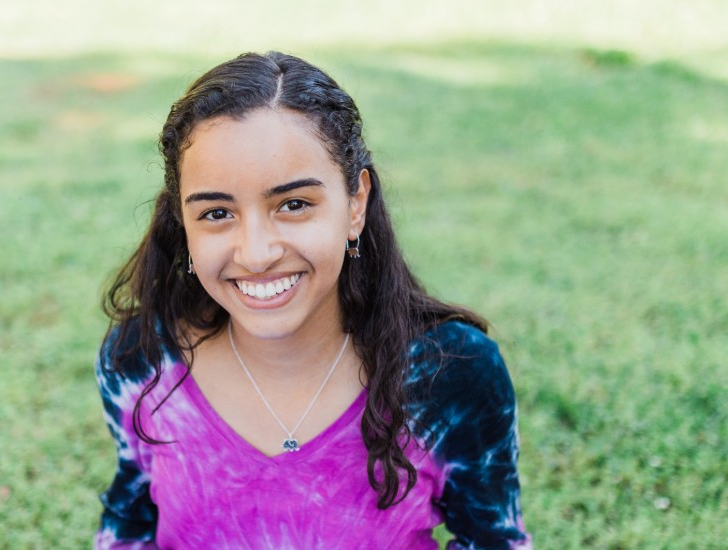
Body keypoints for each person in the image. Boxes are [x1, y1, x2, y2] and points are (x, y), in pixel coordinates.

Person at [94, 51, 530, 549]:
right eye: (216, 212)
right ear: (184, 222)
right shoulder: (141, 362)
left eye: (294, 205)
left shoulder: (450, 374)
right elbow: (128, 527)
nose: (256, 253)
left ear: (355, 204)